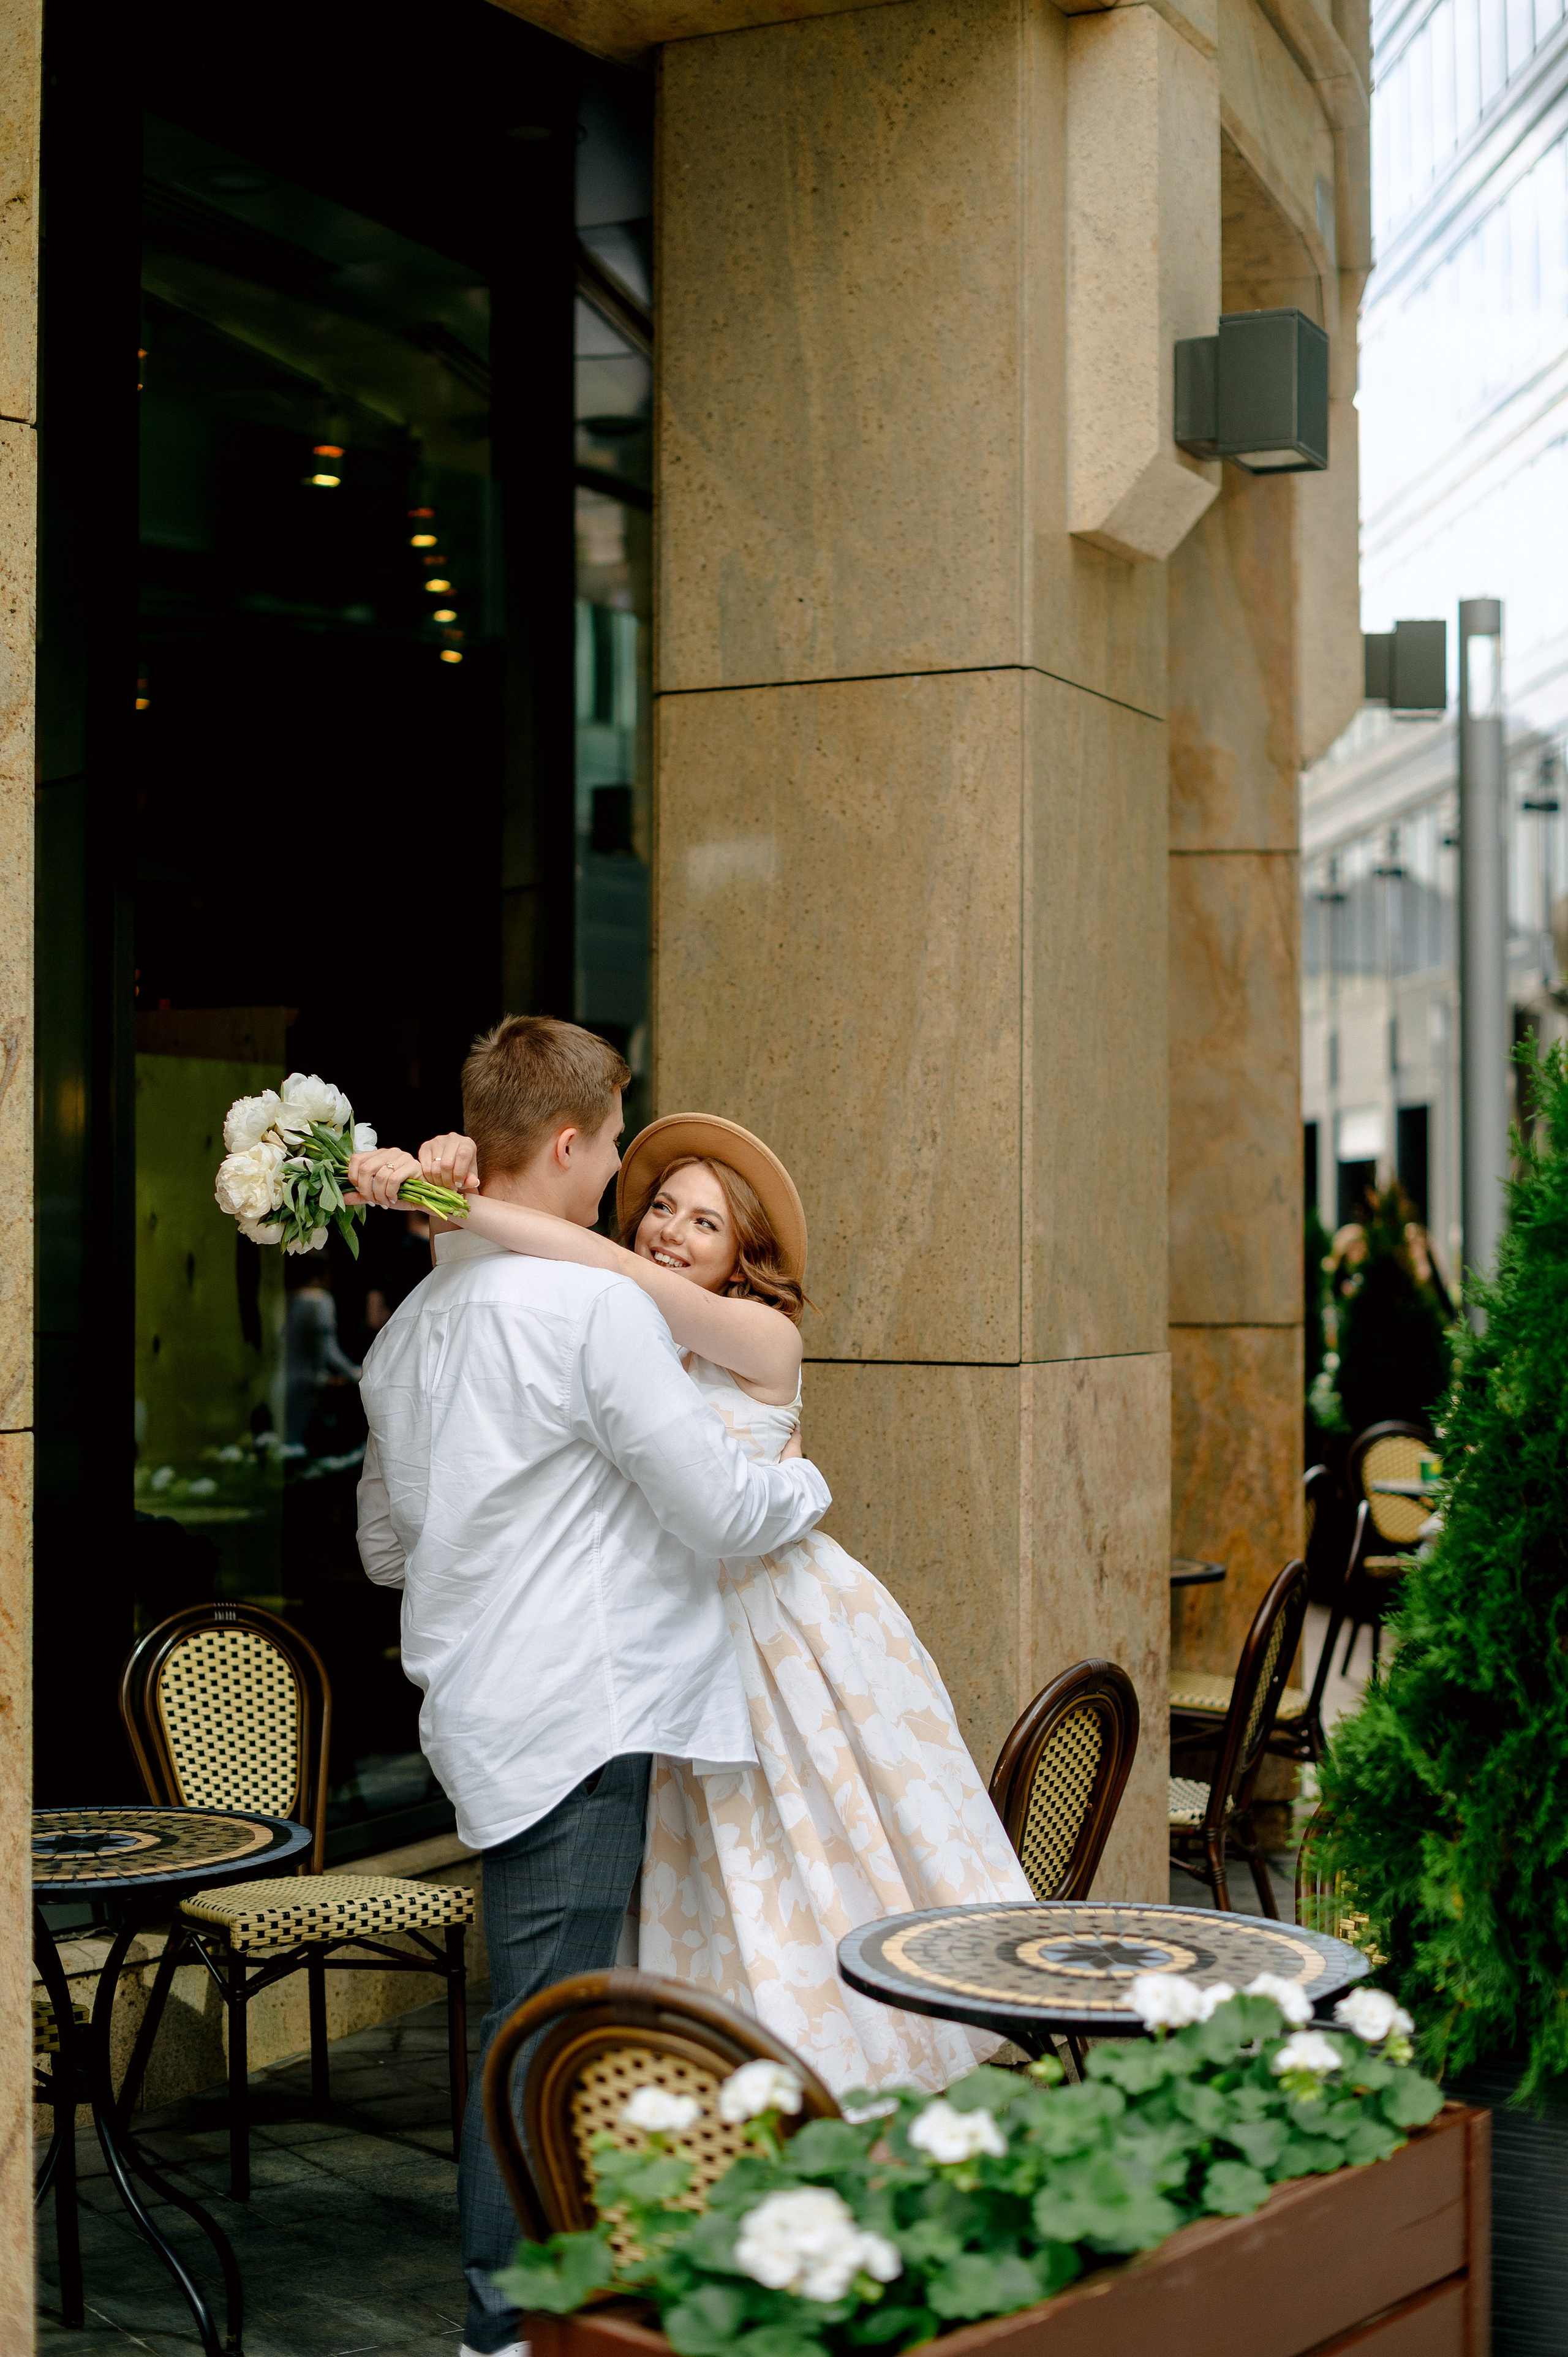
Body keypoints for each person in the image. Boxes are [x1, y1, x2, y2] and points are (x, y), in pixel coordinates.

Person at [352, 1106, 1034, 2102]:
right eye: (663, 1207)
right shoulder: (610, 1323)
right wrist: (451, 1189)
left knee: (802, 1881)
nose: (670, 1231)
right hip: (657, 1644)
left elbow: (588, 1259)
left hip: (774, 1639)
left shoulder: (759, 1334)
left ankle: (840, 2104)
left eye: (706, 1223)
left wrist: (440, 1200)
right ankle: (711, 2110)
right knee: (702, 1908)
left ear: (743, 1253)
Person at [349, 1020, 832, 2357]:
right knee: (543, 2030)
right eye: (617, 1143)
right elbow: (720, 1511)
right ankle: (505, 2327)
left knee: (548, 2013)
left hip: (481, 1711)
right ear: (566, 1144)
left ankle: (567, 2297)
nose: (622, 1170)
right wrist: (803, 1481)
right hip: (576, 1713)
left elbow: (385, 1551)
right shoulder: (597, 1310)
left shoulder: (405, 1336)